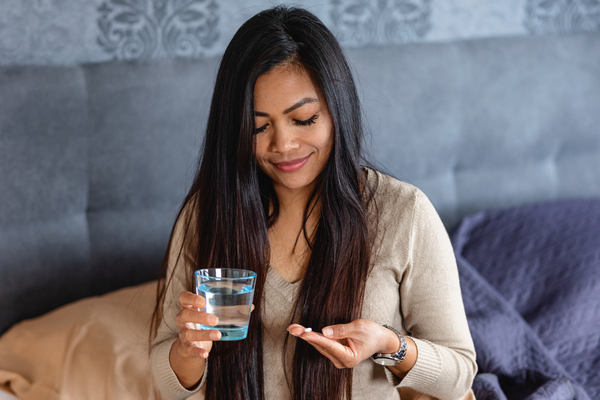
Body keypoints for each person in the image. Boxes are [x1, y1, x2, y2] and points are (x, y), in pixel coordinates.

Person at [150, 5, 477, 400]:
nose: (283, 145)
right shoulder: (208, 214)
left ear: (337, 110)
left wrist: (390, 345)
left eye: (304, 119)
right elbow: (166, 379)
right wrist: (188, 350)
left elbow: (460, 374)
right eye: (259, 127)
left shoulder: (404, 212)